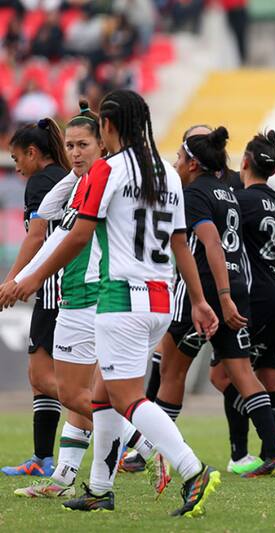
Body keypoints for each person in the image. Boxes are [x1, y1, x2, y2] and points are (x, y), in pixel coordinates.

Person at [12, 89, 221, 516]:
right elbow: (181, 243)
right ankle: (99, 488)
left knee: (125, 397)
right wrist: (198, 301)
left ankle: (190, 467)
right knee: (104, 395)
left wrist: (30, 277)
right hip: (161, 301)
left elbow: (78, 234)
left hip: (120, 297)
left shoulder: (107, 172)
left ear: (107, 127)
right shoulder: (167, 171)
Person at [6, 101, 159, 498]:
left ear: (102, 145)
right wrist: (72, 178)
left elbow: (58, 233)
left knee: (72, 391)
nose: (75, 153)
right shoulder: (83, 181)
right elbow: (48, 216)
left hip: (87, 293)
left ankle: (147, 446)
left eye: (83, 145)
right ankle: (64, 478)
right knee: (81, 393)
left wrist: (22, 279)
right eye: (70, 145)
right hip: (79, 293)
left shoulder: (104, 182)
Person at [154, 126, 275, 479]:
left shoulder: (196, 194)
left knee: (171, 372)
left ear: (193, 164)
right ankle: (274, 452)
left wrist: (219, 298)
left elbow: (211, 243)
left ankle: (151, 451)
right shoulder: (229, 193)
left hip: (203, 291)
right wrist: (231, 294)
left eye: (180, 157)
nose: (177, 162)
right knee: (243, 374)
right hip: (236, 286)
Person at [210, 130, 275, 474]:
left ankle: (250, 453)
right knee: (272, 381)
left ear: (245, 162)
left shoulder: (240, 201)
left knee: (225, 376)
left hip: (257, 298)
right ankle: (273, 449)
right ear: (274, 170)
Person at [1, 118, 70, 479]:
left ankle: (130, 433)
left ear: (32, 152)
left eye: (16, 159)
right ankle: (42, 458)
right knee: (38, 375)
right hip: (67, 286)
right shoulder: (64, 177)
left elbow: (35, 238)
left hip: (55, 288)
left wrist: (12, 279)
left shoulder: (41, 183)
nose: (17, 167)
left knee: (47, 379)